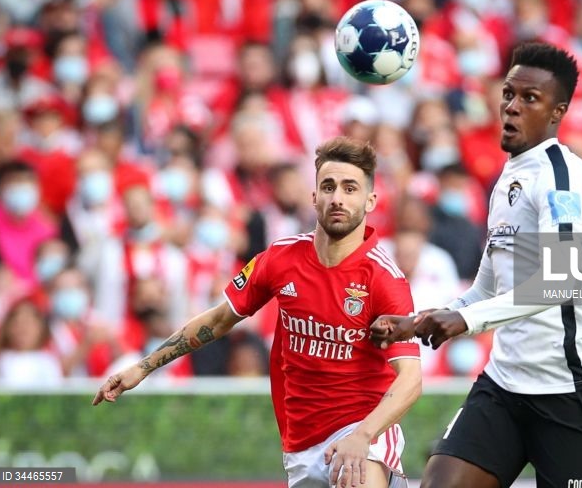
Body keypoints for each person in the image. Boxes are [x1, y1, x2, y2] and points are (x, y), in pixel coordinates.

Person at [93, 136, 422, 488]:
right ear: (313, 197)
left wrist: (364, 434)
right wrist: (143, 367)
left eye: (350, 188)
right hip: (301, 441)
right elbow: (219, 320)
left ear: (370, 200)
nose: (337, 198)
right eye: (328, 186)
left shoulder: (384, 279)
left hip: (363, 430)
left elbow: (411, 378)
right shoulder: (279, 259)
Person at [371, 43, 582, 488]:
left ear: (556, 112)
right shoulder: (508, 177)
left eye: (530, 98)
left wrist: (464, 319)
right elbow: (485, 290)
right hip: (505, 386)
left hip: (570, 392)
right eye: (508, 93)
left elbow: (561, 279)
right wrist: (418, 323)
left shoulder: (564, 179)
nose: (511, 106)